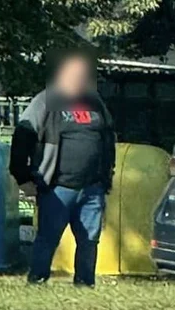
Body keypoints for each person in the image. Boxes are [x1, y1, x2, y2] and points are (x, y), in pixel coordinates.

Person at [10, 50, 116, 287]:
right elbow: (23, 136)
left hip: (92, 188)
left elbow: (108, 137)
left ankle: (85, 283)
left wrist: (107, 175)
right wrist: (22, 176)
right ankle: (37, 280)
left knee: (90, 239)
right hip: (56, 187)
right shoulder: (46, 101)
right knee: (48, 238)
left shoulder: (95, 102)